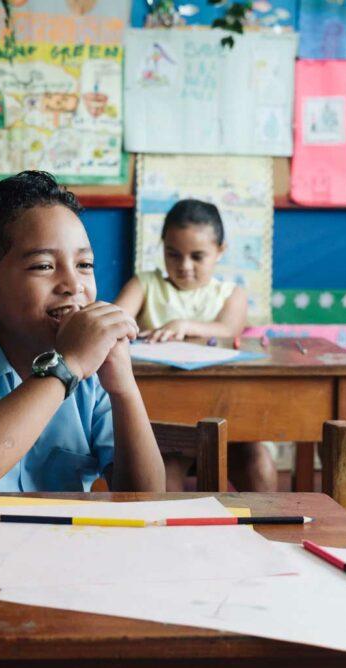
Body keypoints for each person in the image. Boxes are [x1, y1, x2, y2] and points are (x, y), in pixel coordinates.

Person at [0, 171, 165, 495]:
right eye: (44, 266)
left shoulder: (95, 373)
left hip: (65, 542)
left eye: (84, 265)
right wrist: (67, 366)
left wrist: (124, 390)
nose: (74, 285)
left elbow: (147, 497)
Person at [115, 199, 275, 492]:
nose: (184, 266)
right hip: (161, 419)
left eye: (197, 256)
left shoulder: (231, 294)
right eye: (173, 254)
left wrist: (183, 326)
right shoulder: (145, 284)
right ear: (161, 246)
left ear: (220, 251)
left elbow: (229, 328)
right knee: (164, 477)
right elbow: (115, 320)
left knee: (259, 466)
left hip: (226, 415)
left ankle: (264, 533)